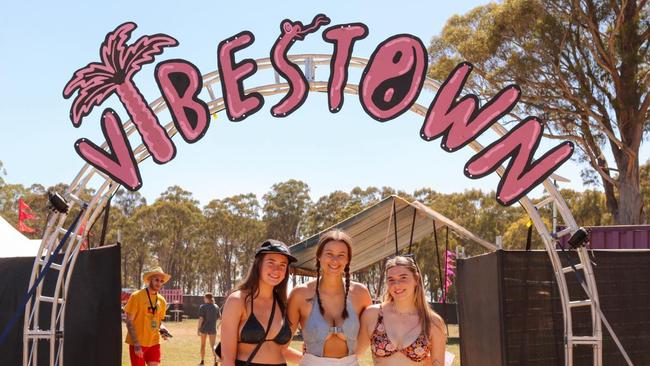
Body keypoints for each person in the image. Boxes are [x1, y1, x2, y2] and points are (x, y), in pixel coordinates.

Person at [287, 229, 372, 366]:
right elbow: (280, 345)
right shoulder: (300, 294)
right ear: (319, 256)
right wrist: (308, 361)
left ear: (347, 259)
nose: (334, 260)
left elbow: (374, 336)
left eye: (341, 255)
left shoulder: (360, 294)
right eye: (329, 254)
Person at [218, 239, 297, 366]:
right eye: (271, 263)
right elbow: (227, 357)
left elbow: (281, 350)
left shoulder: (283, 303)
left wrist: (311, 358)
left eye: (283, 265)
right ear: (258, 264)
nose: (277, 270)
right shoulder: (238, 301)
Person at [358, 256, 447, 366]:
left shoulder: (433, 322)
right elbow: (354, 356)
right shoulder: (372, 315)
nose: (397, 285)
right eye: (391, 280)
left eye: (403, 277)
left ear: (417, 279)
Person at [124, 266, 172, 366]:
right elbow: (129, 321)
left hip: (154, 342)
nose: (159, 283)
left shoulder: (162, 301)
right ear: (150, 279)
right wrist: (136, 343)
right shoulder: (136, 296)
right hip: (138, 343)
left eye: (161, 281)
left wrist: (163, 330)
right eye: (156, 280)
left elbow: (158, 322)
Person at [198, 293, 220, 366]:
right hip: (212, 329)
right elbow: (220, 318)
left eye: (204, 298)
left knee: (203, 345)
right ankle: (216, 361)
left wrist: (198, 329)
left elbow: (201, 319)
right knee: (213, 346)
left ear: (207, 298)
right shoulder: (216, 306)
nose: (204, 299)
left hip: (204, 329)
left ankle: (202, 361)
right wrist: (217, 326)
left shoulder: (202, 306)